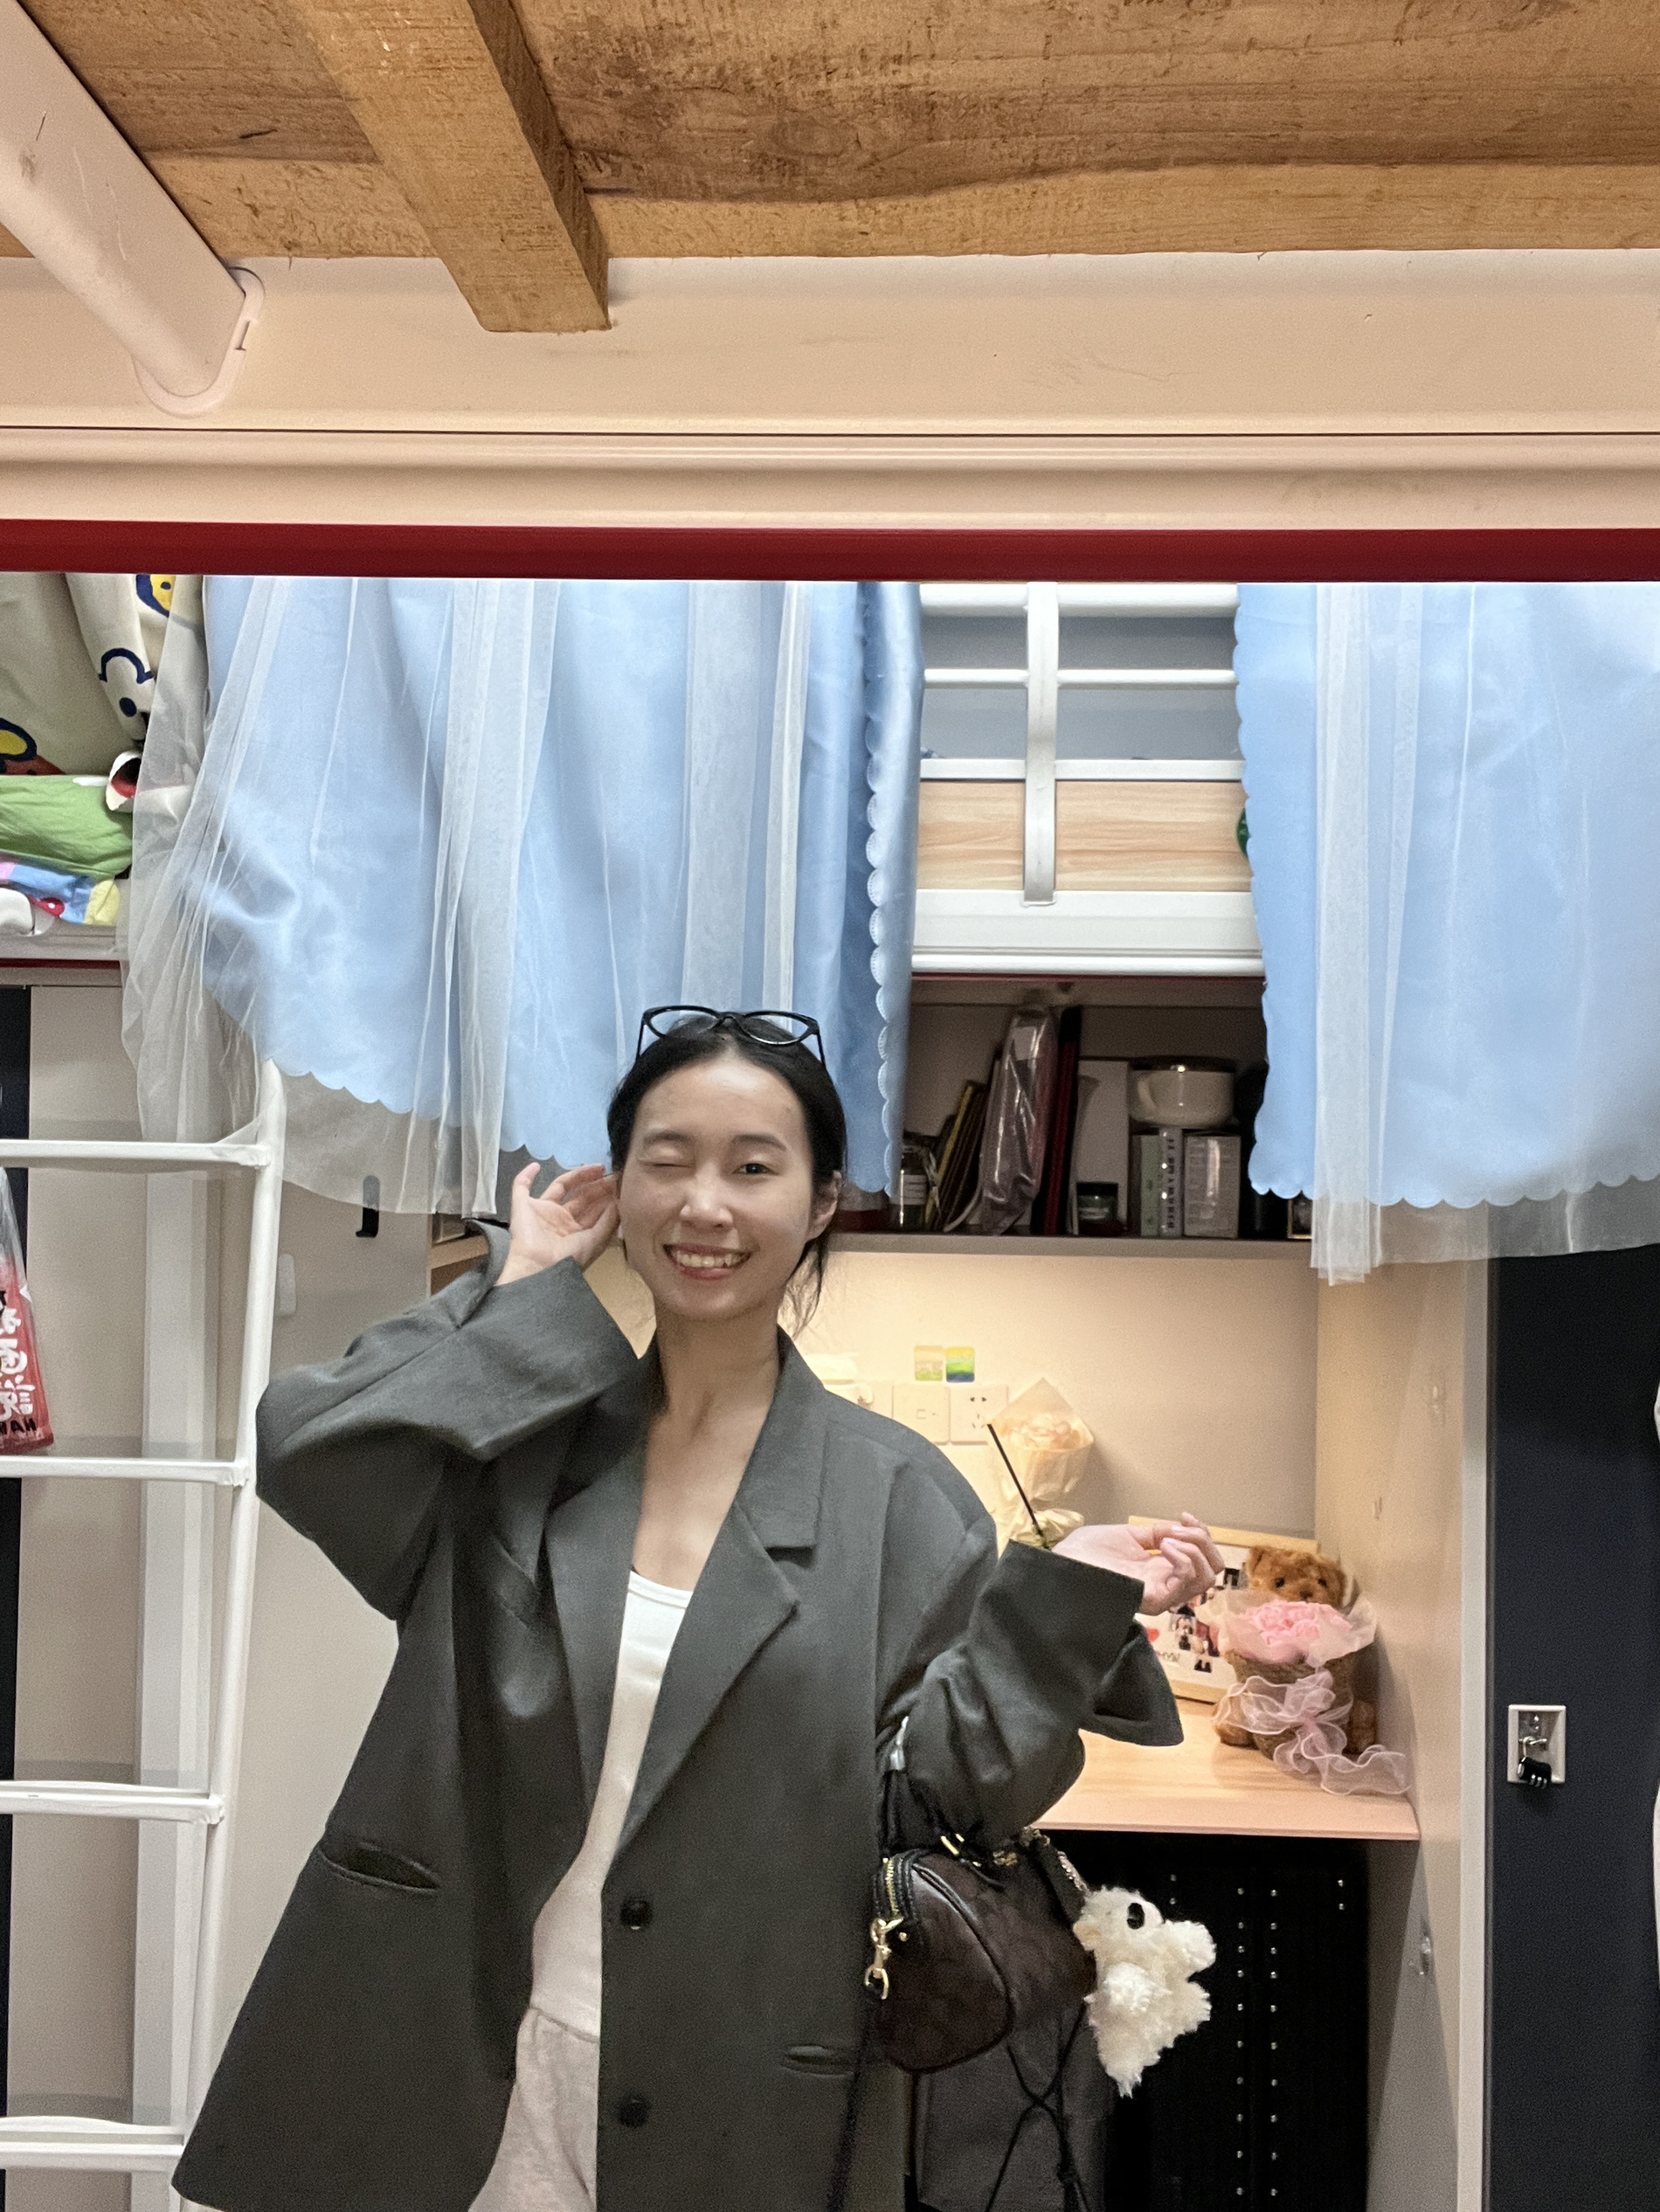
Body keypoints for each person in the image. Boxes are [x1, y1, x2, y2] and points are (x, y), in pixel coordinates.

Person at [175, 1007, 1222, 2212]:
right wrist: (522, 1290)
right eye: (666, 1161)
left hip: (736, 2072)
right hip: (458, 2052)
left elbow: (941, 1797)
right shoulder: (517, 1445)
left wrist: (1069, 1594)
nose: (705, 1206)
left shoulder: (899, 1499)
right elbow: (309, 1445)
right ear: (618, 1189)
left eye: (754, 1168)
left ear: (821, 1203)